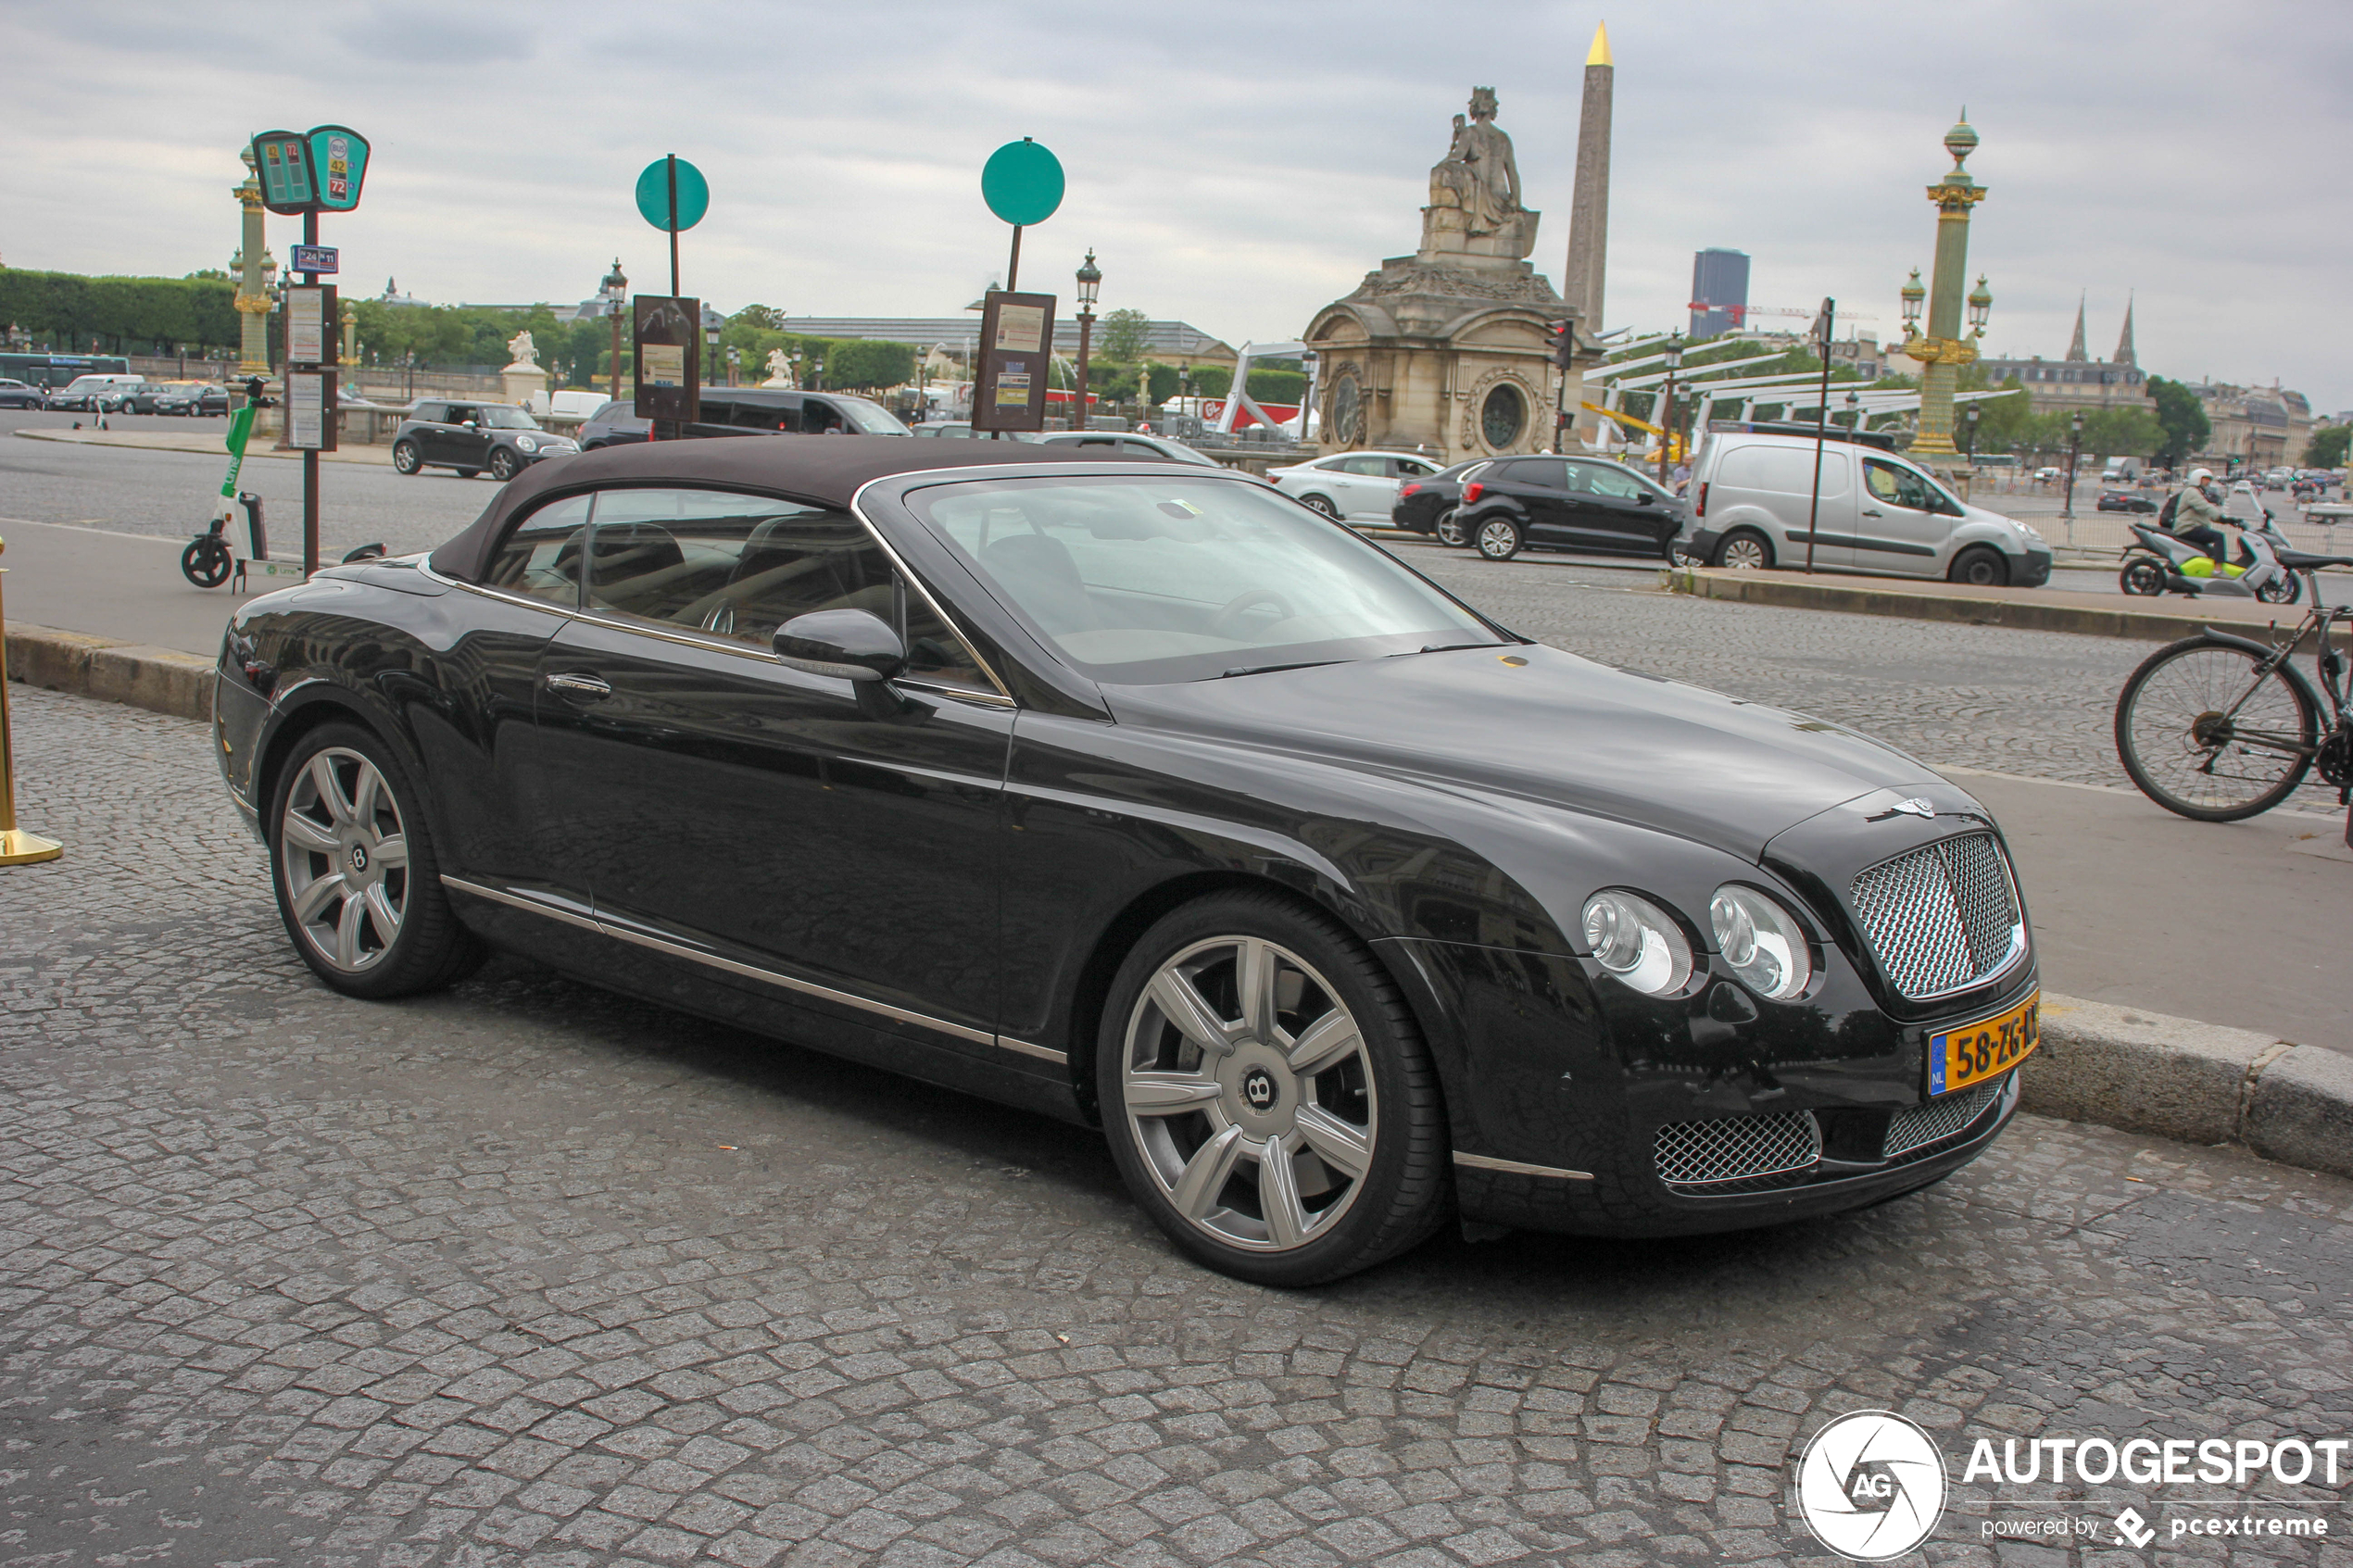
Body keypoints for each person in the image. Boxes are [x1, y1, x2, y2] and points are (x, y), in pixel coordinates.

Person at [2164, 468, 2231, 563]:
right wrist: (2220, 517)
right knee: (2218, 536)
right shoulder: (2192, 491)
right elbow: (2204, 506)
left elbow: (2206, 511)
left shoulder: (2198, 492)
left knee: (2210, 551)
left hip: (2193, 527)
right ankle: (2219, 568)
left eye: (2209, 479)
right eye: (2206, 479)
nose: (2208, 482)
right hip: (2187, 528)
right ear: (2197, 478)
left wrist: (2227, 520)